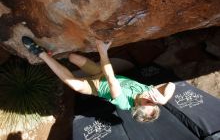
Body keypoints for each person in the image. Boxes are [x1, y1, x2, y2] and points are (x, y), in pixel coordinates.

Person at [22, 36, 175, 122]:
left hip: (96, 86)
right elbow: (171, 85)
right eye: (153, 103)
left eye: (147, 102)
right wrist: (164, 99)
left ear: (136, 105)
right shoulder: (149, 95)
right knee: (72, 57)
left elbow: (111, 79)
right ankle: (50, 55)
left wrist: (103, 51)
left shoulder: (123, 103)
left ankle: (39, 53)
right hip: (101, 74)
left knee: (73, 84)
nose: (150, 98)